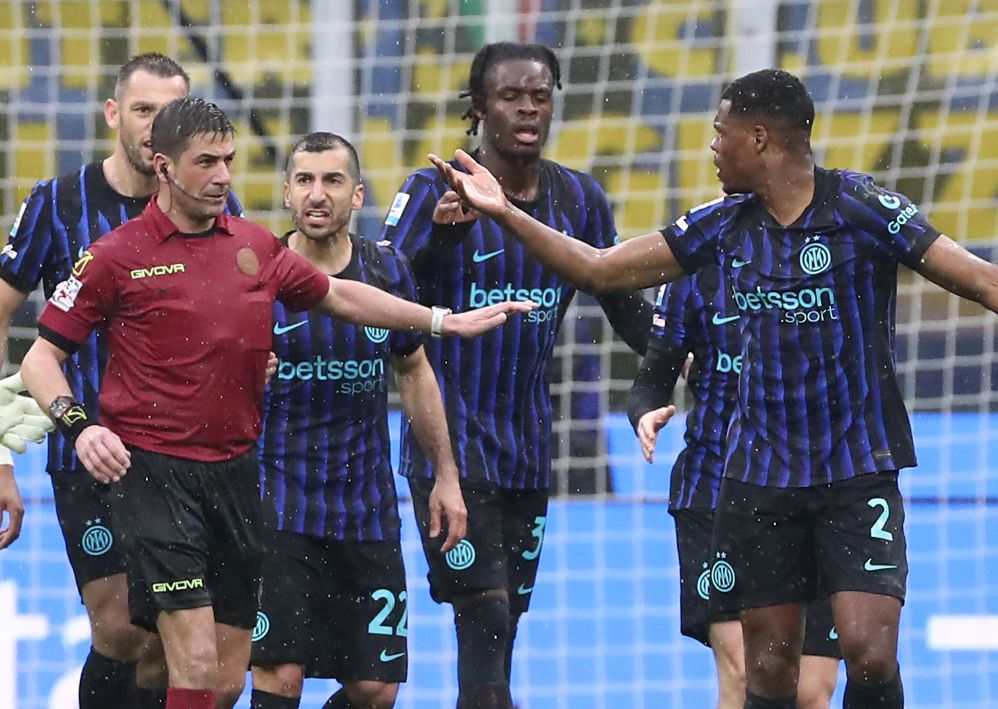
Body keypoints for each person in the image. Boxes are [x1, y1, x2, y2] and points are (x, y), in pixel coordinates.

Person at [428, 68, 998, 709]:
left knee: (869, 651)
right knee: (773, 666)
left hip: (857, 471)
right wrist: (505, 212)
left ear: (761, 139)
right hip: (758, 480)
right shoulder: (718, 227)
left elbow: (980, 279)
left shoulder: (863, 210)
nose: (712, 148)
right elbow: (598, 269)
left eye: (721, 133)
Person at [20, 97, 532, 709]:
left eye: (229, 161)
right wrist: (78, 428)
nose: (223, 177)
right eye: (205, 162)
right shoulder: (114, 255)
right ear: (163, 166)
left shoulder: (252, 247)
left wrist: (442, 322)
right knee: (199, 663)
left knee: (221, 676)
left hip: (238, 480)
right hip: (155, 477)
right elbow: (39, 359)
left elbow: (342, 297)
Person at [379, 42, 652, 708]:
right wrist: (442, 237)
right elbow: (385, 296)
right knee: (485, 615)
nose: (529, 107)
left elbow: (619, 300)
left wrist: (678, 366)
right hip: (447, 441)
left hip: (528, 449)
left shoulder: (579, 199)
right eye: (511, 95)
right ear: (477, 109)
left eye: (541, 93)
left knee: (502, 631)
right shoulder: (431, 188)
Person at [0, 53, 238, 709]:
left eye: (170, 113)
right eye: (142, 111)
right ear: (113, 114)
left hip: (188, 462)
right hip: (89, 453)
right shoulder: (58, 203)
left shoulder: (215, 201)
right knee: (122, 626)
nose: (156, 126)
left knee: (177, 648)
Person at [248, 131, 468, 709]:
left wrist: (445, 474)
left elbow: (415, 370)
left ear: (357, 196)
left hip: (365, 507)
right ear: (288, 195)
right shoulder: (255, 274)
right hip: (277, 504)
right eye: (304, 181)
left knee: (376, 689)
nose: (317, 194)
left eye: (332, 180)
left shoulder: (387, 270)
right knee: (280, 675)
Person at [628, 265, 839, 709]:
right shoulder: (701, 259)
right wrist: (645, 412)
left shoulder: (832, 250)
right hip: (714, 489)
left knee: (809, 692)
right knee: (747, 673)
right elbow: (653, 376)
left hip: (813, 491)